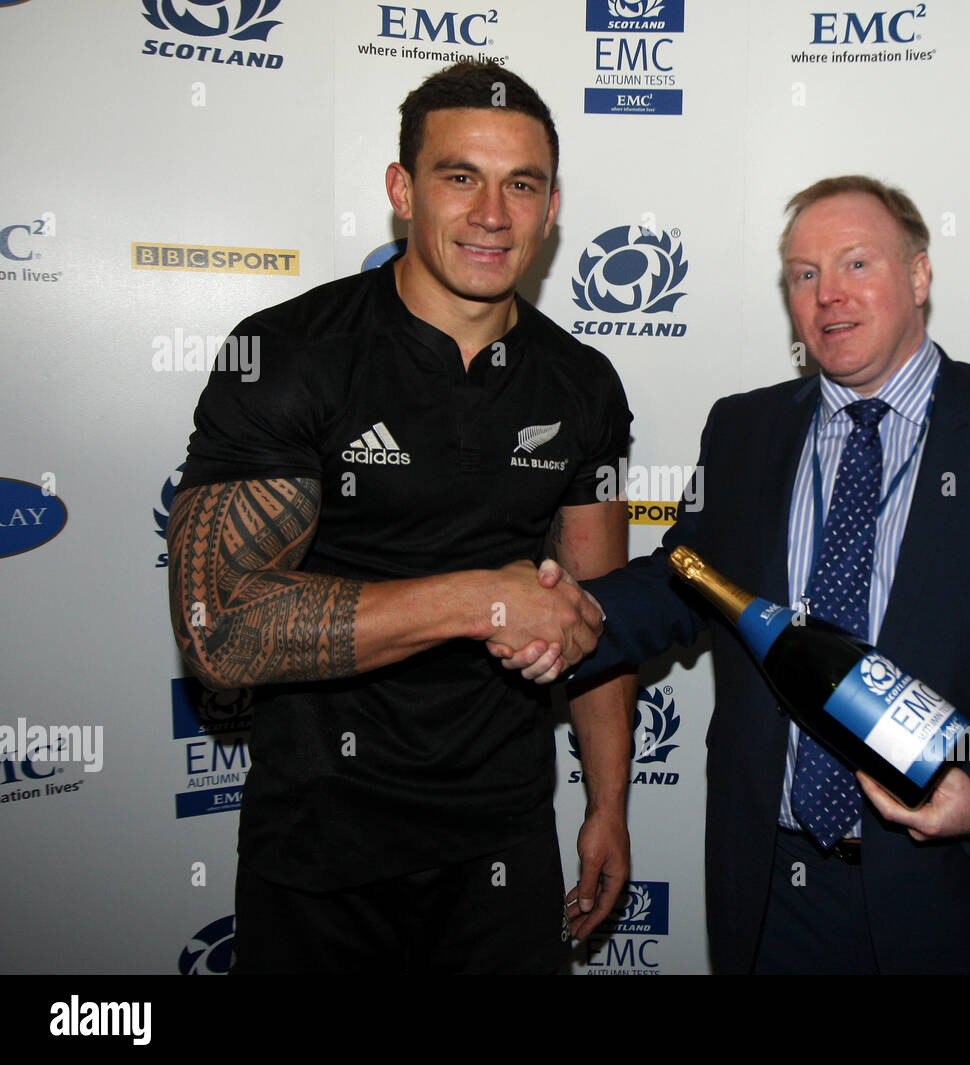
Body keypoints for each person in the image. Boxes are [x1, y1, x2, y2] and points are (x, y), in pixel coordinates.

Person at [499, 175, 970, 974]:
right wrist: (568, 610)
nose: (829, 294)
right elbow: (681, 580)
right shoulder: (744, 428)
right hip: (774, 896)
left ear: (920, 276)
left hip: (962, 898)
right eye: (804, 274)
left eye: (856, 264)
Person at [166, 61, 636, 974]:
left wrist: (608, 801)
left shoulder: (583, 382)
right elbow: (217, 626)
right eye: (460, 176)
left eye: (522, 185)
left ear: (549, 208)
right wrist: (480, 599)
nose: (492, 212)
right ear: (401, 191)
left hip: (502, 840)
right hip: (320, 846)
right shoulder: (291, 355)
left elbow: (598, 612)